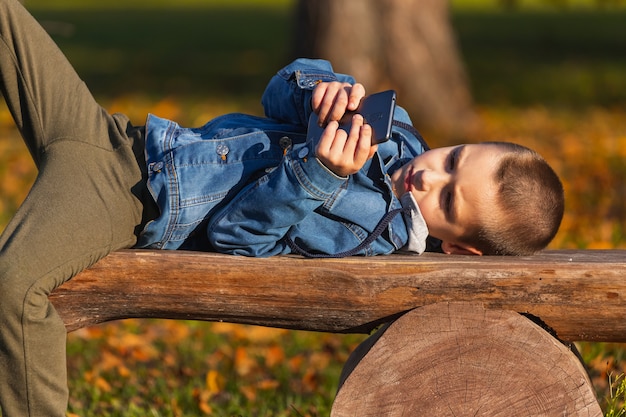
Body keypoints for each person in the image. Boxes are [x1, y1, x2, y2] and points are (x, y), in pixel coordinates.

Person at [0, 0, 564, 415]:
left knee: (12, 285)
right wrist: (319, 87)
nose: (428, 170)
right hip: (122, 137)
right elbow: (275, 95)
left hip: (125, 197)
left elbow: (234, 237)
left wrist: (315, 175)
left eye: (445, 196)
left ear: (456, 246)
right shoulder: (399, 134)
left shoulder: (365, 230)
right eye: (454, 157)